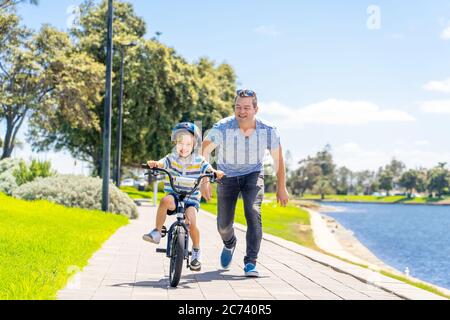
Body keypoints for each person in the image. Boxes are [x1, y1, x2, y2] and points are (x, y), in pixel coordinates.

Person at [201, 89, 289, 277]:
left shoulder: (268, 130)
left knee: (253, 211)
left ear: (256, 109)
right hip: (226, 176)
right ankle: (229, 243)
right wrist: (205, 180)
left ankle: (250, 262)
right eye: (238, 107)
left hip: (253, 174)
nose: (242, 111)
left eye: (247, 107)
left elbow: (278, 160)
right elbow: (204, 151)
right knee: (223, 226)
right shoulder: (223, 127)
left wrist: (282, 187)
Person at [142, 122, 224, 272]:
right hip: (174, 195)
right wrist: (155, 164)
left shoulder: (199, 160)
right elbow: (162, 163)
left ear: (194, 144)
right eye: (180, 143)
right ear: (175, 142)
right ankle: (157, 232)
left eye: (188, 143)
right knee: (165, 201)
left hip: (190, 199)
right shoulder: (171, 158)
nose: (184, 147)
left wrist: (215, 173)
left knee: (192, 222)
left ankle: (197, 251)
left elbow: (208, 168)